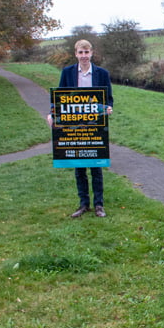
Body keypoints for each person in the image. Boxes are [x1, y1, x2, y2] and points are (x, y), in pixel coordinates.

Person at [52, 39, 114, 218]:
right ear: (76, 54)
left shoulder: (102, 73)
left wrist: (108, 108)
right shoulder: (67, 72)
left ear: (91, 53)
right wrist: (52, 113)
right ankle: (83, 204)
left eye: (86, 52)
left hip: (95, 125)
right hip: (75, 125)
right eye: (81, 52)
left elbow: (108, 98)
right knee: (79, 166)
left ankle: (99, 205)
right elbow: (60, 97)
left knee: (96, 166)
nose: (84, 56)